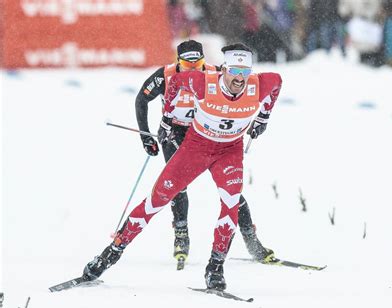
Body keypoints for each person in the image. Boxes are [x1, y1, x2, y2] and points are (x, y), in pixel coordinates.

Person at [83, 43, 283, 290]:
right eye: (234, 71)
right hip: (195, 147)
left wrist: (263, 118)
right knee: (157, 199)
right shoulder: (203, 81)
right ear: (224, 70)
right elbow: (174, 85)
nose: (239, 78)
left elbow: (277, 82)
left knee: (231, 203)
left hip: (229, 152)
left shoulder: (258, 84)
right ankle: (110, 254)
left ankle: (215, 268)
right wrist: (166, 121)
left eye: (245, 71)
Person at [135, 39, 274, 268]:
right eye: (187, 64)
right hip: (176, 134)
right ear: (177, 61)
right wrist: (146, 135)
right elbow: (142, 99)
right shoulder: (166, 75)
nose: (193, 68)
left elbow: (242, 88)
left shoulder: (215, 73)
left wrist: (256, 119)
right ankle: (181, 236)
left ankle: (252, 240)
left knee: (231, 192)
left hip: (209, 135)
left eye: (197, 62)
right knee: (176, 187)